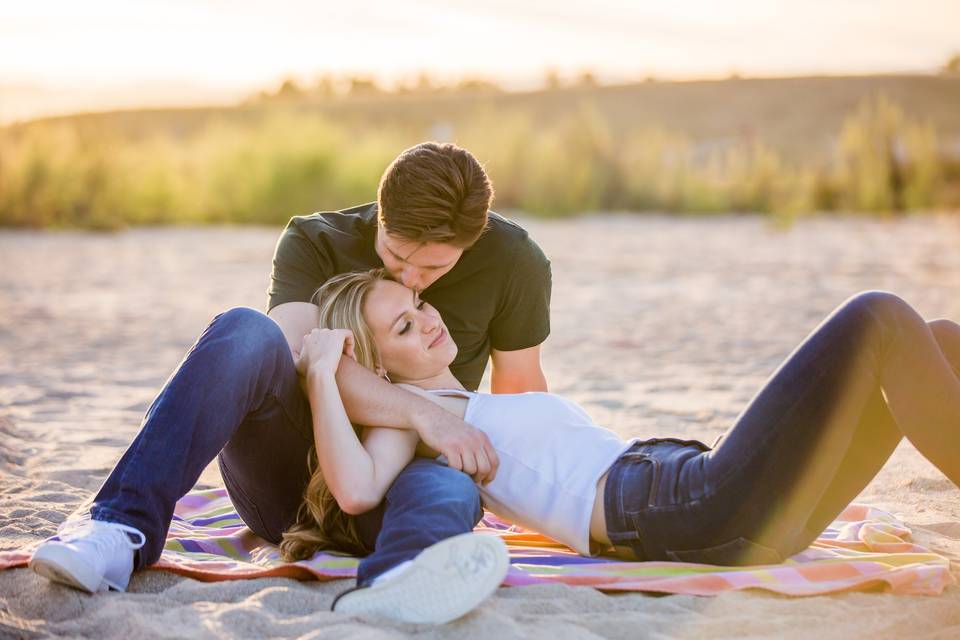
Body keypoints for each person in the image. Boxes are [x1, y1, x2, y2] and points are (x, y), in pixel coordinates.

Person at [29, 142, 553, 625]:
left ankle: (398, 579)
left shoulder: (513, 262)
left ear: (474, 239)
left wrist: (541, 492)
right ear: (381, 213)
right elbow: (304, 363)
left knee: (448, 484)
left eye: (433, 269)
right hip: (287, 481)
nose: (410, 281)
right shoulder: (314, 240)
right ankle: (119, 528)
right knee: (246, 332)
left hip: (407, 489)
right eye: (396, 256)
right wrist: (425, 413)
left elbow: (521, 390)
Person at [292, 269, 960, 581]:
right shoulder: (413, 424)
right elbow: (354, 489)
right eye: (404, 326)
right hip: (684, 507)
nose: (429, 318)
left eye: (418, 303)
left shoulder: (448, 404)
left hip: (715, 502)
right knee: (879, 316)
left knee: (938, 338)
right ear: (376, 369)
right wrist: (324, 376)